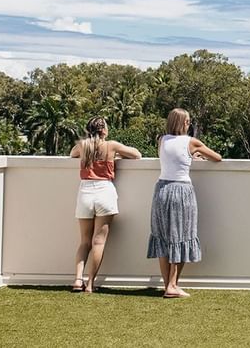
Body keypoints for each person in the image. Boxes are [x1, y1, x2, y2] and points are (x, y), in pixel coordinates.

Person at [147, 108, 222, 298]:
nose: (189, 124)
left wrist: (190, 157)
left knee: (163, 238)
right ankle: (172, 285)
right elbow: (217, 158)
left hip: (162, 190)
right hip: (182, 190)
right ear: (182, 123)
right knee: (182, 236)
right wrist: (195, 155)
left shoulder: (161, 140)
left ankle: (168, 286)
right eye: (187, 121)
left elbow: (171, 159)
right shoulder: (192, 142)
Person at [70, 116, 142, 293]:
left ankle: (77, 280)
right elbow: (137, 154)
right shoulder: (111, 146)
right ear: (104, 130)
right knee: (98, 242)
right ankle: (90, 283)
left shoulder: (83, 146)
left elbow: (72, 154)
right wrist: (115, 156)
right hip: (104, 191)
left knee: (84, 241)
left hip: (85, 192)